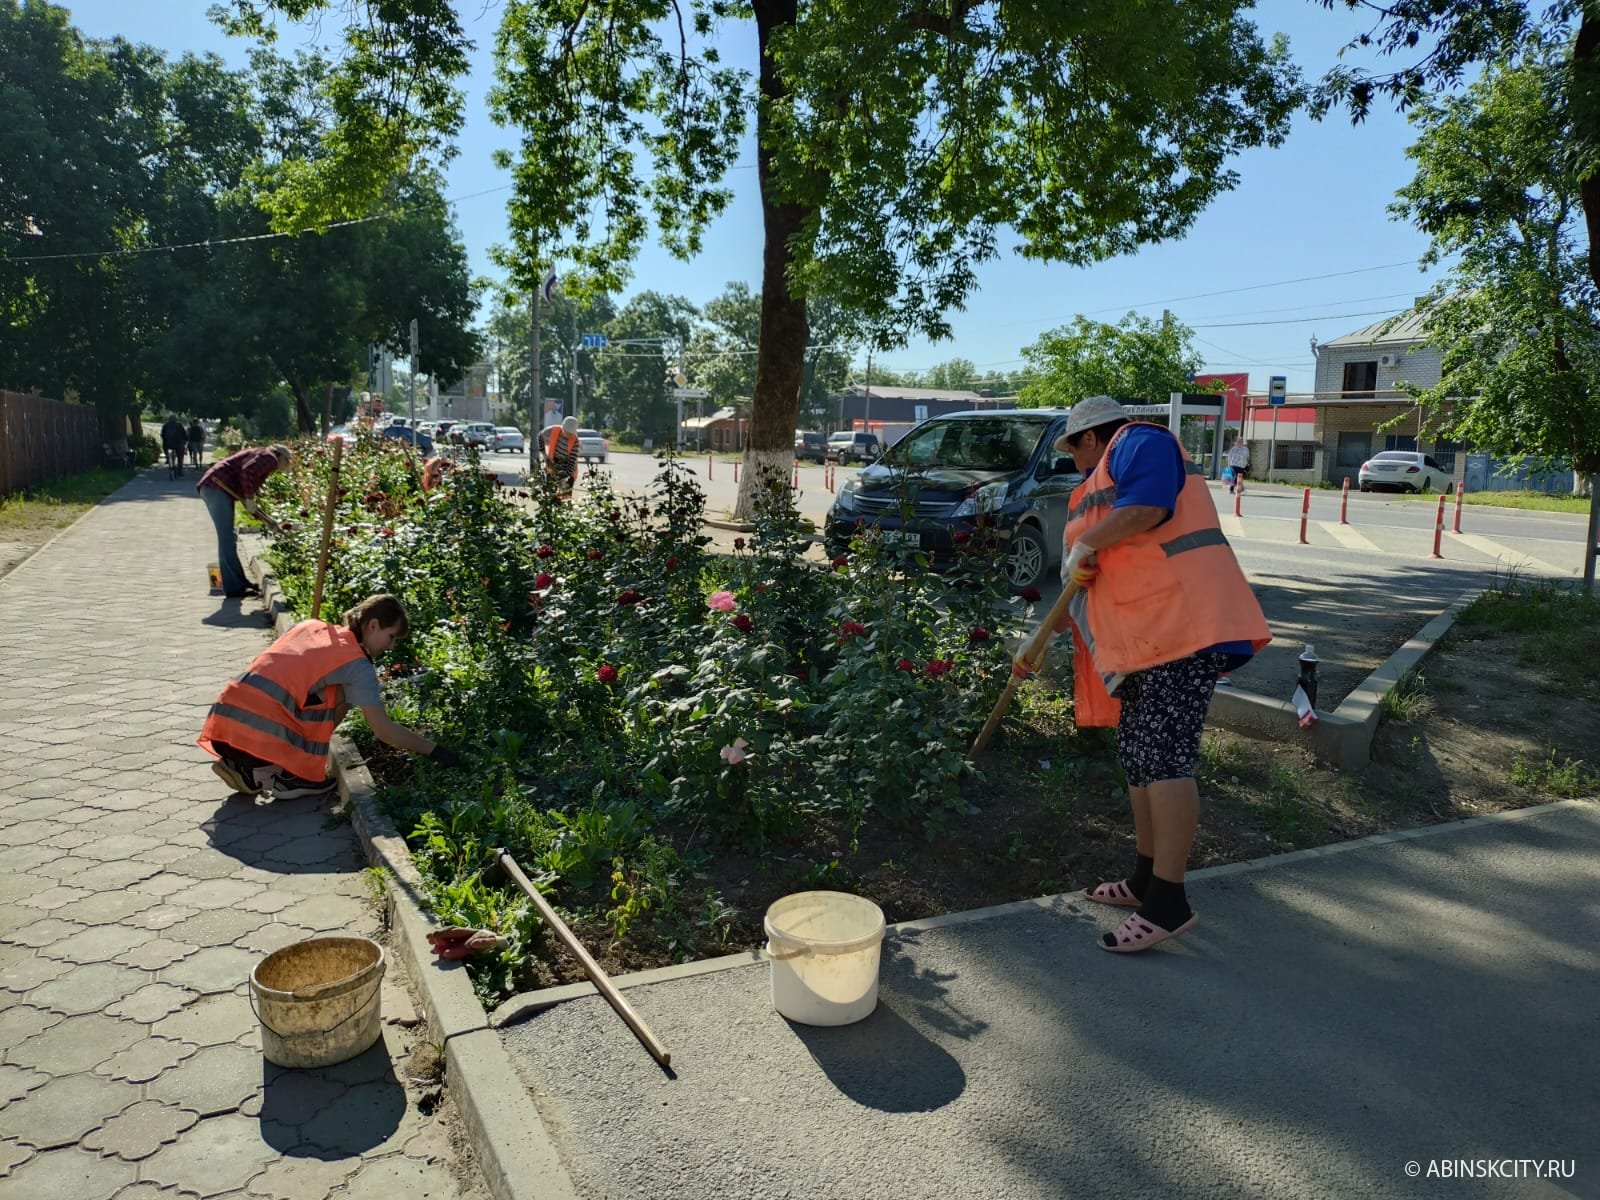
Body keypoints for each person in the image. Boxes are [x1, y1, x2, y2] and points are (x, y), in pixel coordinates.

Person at [1049, 396, 1271, 953]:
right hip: (1149, 639)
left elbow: (1147, 508)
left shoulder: (1138, 442)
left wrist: (1087, 543)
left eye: (1073, 449)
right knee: (1140, 754)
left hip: (1185, 629)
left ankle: (1168, 900)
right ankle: (1146, 876)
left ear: (1091, 438)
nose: (1075, 463)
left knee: (1166, 757)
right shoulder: (1099, 480)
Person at [199, 594, 462, 800]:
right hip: (261, 729)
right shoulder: (358, 666)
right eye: (391, 637)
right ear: (373, 625)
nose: (391, 647)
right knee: (340, 693)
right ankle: (292, 775)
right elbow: (384, 730)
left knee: (321, 686)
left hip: (227, 717)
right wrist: (436, 751)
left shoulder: (312, 627)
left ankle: (246, 766)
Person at [196, 443, 291, 599]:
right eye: (285, 462)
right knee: (226, 538)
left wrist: (259, 513)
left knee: (229, 538)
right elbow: (247, 472)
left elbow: (247, 480)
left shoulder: (262, 455)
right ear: (280, 456)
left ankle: (240, 583)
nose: (282, 466)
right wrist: (248, 498)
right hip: (216, 487)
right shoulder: (270, 457)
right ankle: (233, 588)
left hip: (215, 487)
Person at [544, 416, 581, 494]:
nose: (568, 435)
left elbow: (572, 460)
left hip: (568, 465)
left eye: (570, 434)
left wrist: (565, 476)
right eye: (566, 432)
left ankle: (565, 504)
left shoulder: (575, 441)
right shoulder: (554, 430)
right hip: (553, 462)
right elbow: (542, 437)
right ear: (562, 428)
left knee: (566, 493)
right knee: (550, 491)